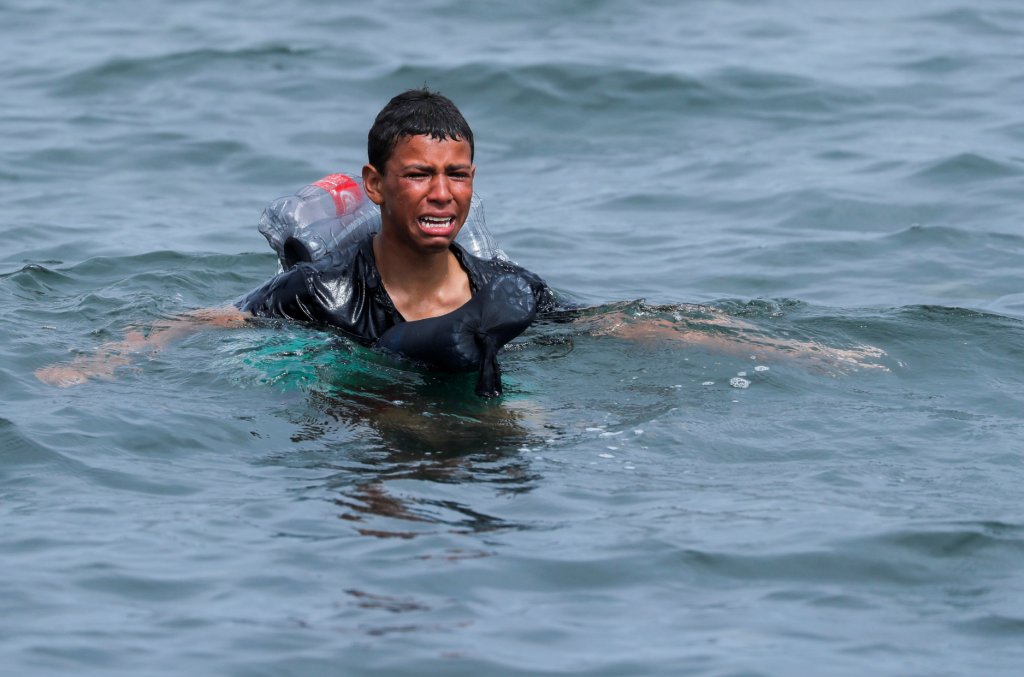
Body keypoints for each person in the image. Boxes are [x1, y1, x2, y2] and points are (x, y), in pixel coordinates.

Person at [35, 89, 886, 389]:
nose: (444, 196)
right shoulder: (322, 293)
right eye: (419, 175)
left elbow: (617, 324)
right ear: (374, 185)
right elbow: (211, 319)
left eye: (459, 176)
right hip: (357, 382)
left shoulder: (504, 287)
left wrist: (795, 351)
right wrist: (101, 360)